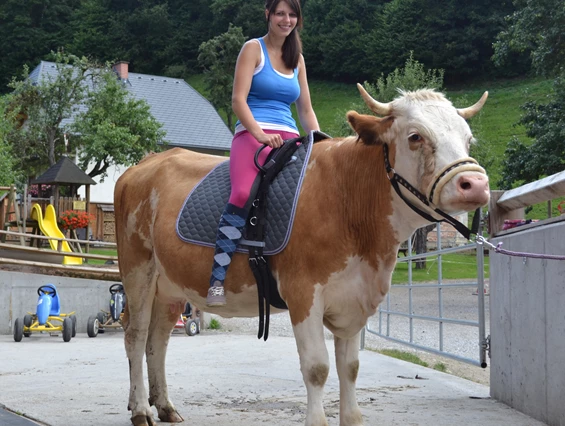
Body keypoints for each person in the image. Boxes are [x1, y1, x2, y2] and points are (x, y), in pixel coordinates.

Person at [207, 0, 320, 307]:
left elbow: (305, 109)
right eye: (280, 13)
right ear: (268, 14)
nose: (286, 19)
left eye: (292, 14)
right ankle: (217, 277)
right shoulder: (252, 50)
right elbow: (238, 101)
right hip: (252, 134)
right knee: (243, 192)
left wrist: (321, 143)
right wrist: (258, 133)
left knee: (309, 194)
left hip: (288, 138)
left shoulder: (297, 60)